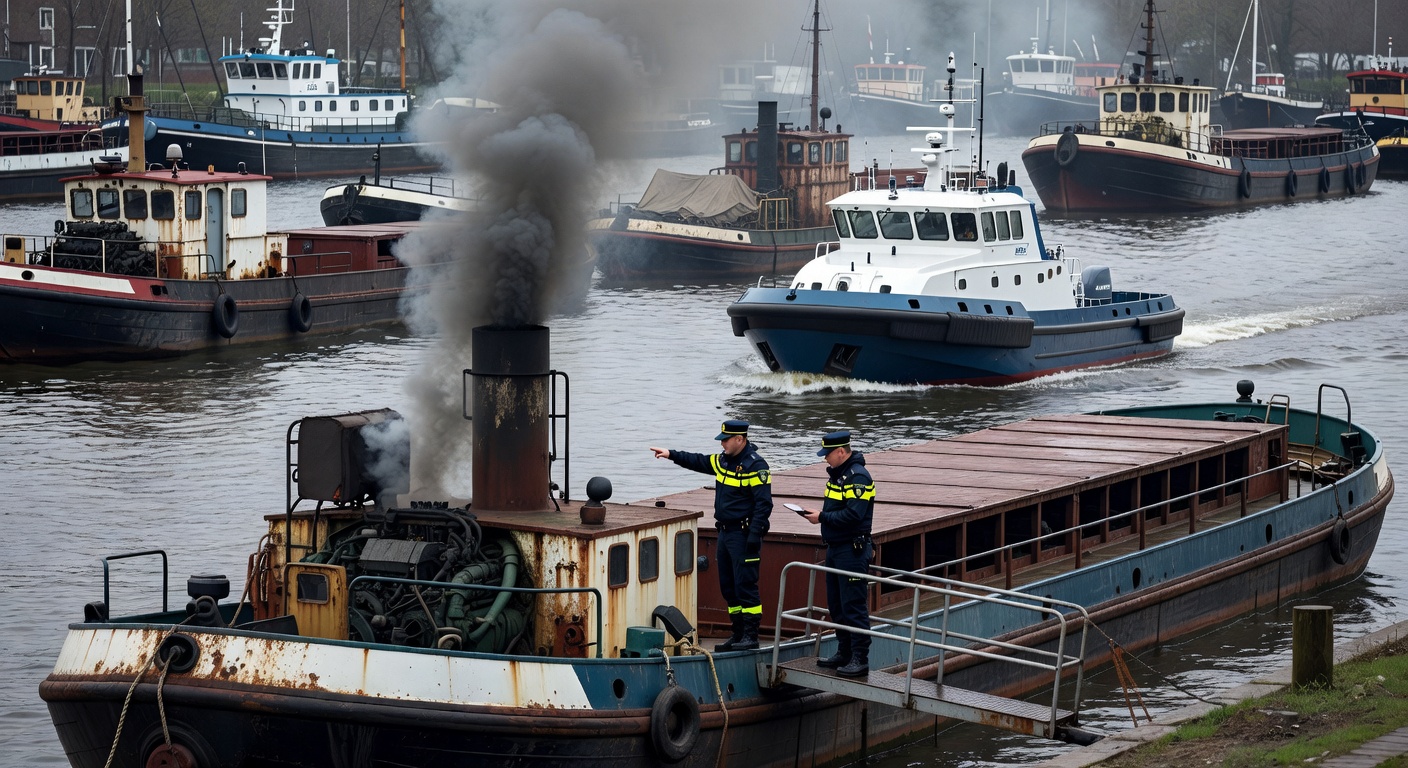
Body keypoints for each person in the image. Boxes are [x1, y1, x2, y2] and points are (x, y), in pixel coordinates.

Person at [650, 420, 772, 651]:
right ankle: (737, 634)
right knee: (728, 587)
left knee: (745, 585)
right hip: (725, 533)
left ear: (740, 439)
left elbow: (764, 505)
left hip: (744, 534)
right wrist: (670, 454)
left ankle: (750, 635)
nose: (722, 443)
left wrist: (754, 536)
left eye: (726, 440)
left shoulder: (756, 466)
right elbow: (698, 460)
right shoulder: (723, 461)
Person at [798, 430, 875, 677]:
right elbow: (837, 509)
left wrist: (821, 517)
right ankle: (844, 650)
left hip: (852, 550)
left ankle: (860, 657)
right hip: (836, 549)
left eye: (828, 455)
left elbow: (854, 515)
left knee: (853, 606)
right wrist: (819, 515)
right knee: (837, 605)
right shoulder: (838, 475)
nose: (825, 459)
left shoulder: (858, 477)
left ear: (841, 451)